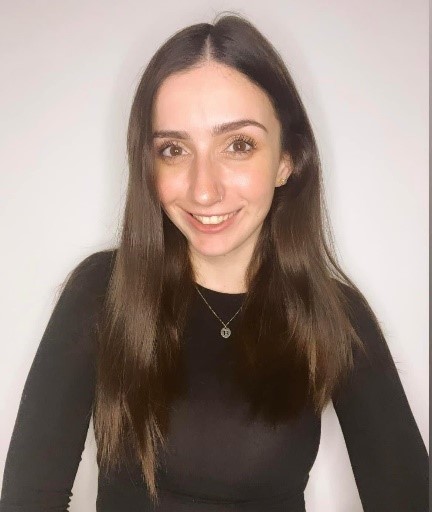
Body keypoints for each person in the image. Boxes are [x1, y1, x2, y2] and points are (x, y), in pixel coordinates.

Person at [0, 13, 428, 512]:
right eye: (174, 149)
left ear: (287, 159)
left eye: (239, 145)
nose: (204, 189)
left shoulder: (334, 313)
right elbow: (30, 498)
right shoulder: (102, 292)